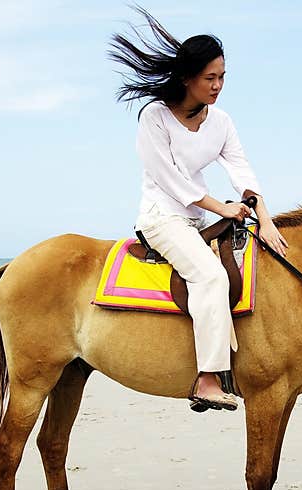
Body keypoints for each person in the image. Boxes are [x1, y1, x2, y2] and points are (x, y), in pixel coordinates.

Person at [108, 7, 288, 413]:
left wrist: (266, 219)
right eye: (210, 78)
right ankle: (207, 379)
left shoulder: (221, 121)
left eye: (223, 77)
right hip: (161, 218)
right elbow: (172, 181)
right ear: (187, 77)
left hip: (197, 221)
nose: (218, 85)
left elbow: (242, 171)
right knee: (209, 278)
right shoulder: (154, 117)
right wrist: (223, 207)